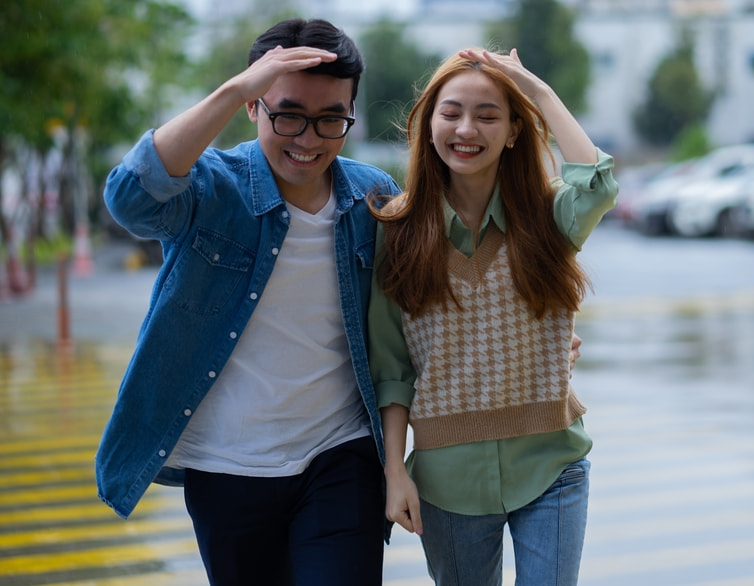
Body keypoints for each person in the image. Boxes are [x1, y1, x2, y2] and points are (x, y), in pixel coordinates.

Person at [95, 18, 398, 585]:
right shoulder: (213, 187)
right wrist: (235, 87)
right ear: (254, 107)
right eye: (288, 114)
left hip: (341, 455)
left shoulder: (372, 194)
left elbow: (430, 292)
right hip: (227, 466)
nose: (308, 139)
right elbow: (131, 199)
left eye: (331, 118)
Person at [367, 48, 618, 586]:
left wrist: (538, 90)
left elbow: (598, 183)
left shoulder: (549, 219)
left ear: (512, 131)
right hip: (446, 481)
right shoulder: (397, 232)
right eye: (451, 112)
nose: (466, 128)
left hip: (553, 463)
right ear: (429, 123)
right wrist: (394, 472)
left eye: (488, 114)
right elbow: (392, 371)